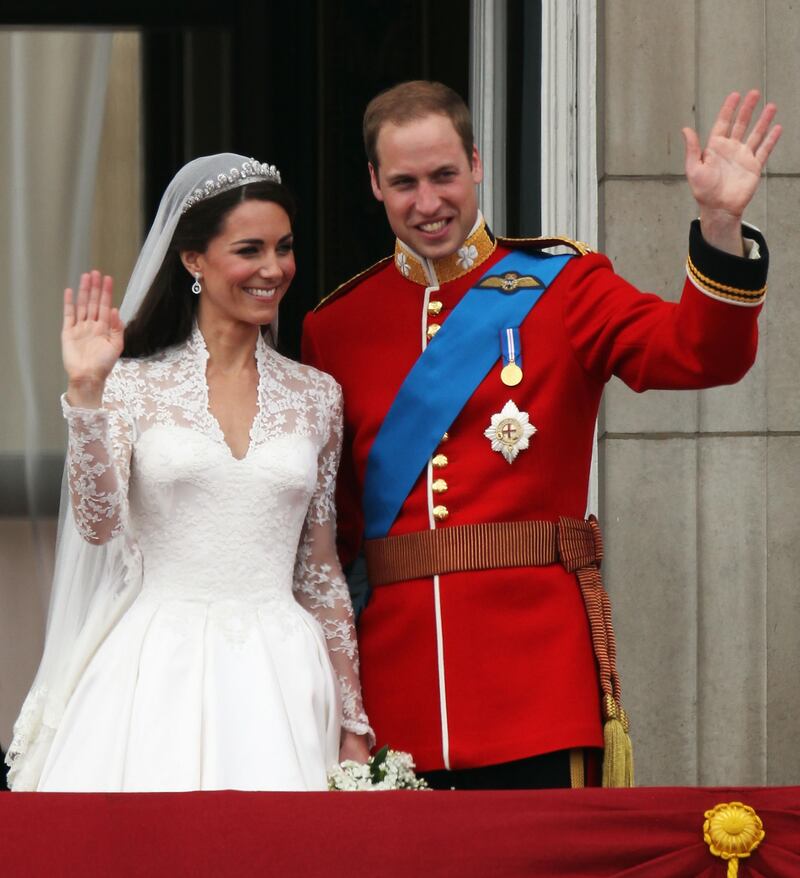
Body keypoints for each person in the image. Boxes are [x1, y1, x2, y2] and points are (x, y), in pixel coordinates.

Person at [301, 81, 780, 790]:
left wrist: (718, 225)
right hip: (397, 699)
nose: (428, 202)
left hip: (536, 692)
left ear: (476, 164)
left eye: (444, 176)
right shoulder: (334, 327)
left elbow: (699, 354)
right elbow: (330, 532)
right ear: (374, 183)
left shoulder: (565, 285)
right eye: (404, 182)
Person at [6, 153, 372, 792]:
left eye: (284, 248)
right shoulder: (131, 386)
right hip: (154, 668)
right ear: (193, 260)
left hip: (283, 672)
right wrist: (88, 395)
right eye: (249, 248)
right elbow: (97, 527)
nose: (272, 269)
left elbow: (320, 571)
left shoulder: (318, 396)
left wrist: (351, 718)